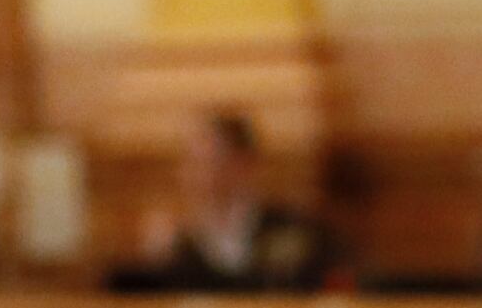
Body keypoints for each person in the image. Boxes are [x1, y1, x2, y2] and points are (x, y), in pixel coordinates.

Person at [115, 110, 335, 292]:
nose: (197, 174)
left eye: (209, 161)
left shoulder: (292, 230)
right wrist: (157, 262)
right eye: (191, 162)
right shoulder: (177, 244)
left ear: (244, 163)